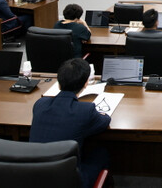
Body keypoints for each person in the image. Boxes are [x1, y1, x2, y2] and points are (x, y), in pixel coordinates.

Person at [30, 58, 111, 188]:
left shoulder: (40, 104)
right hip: (71, 181)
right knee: (101, 152)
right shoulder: (86, 110)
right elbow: (104, 122)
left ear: (59, 83)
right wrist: (102, 114)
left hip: (34, 177)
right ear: (86, 83)